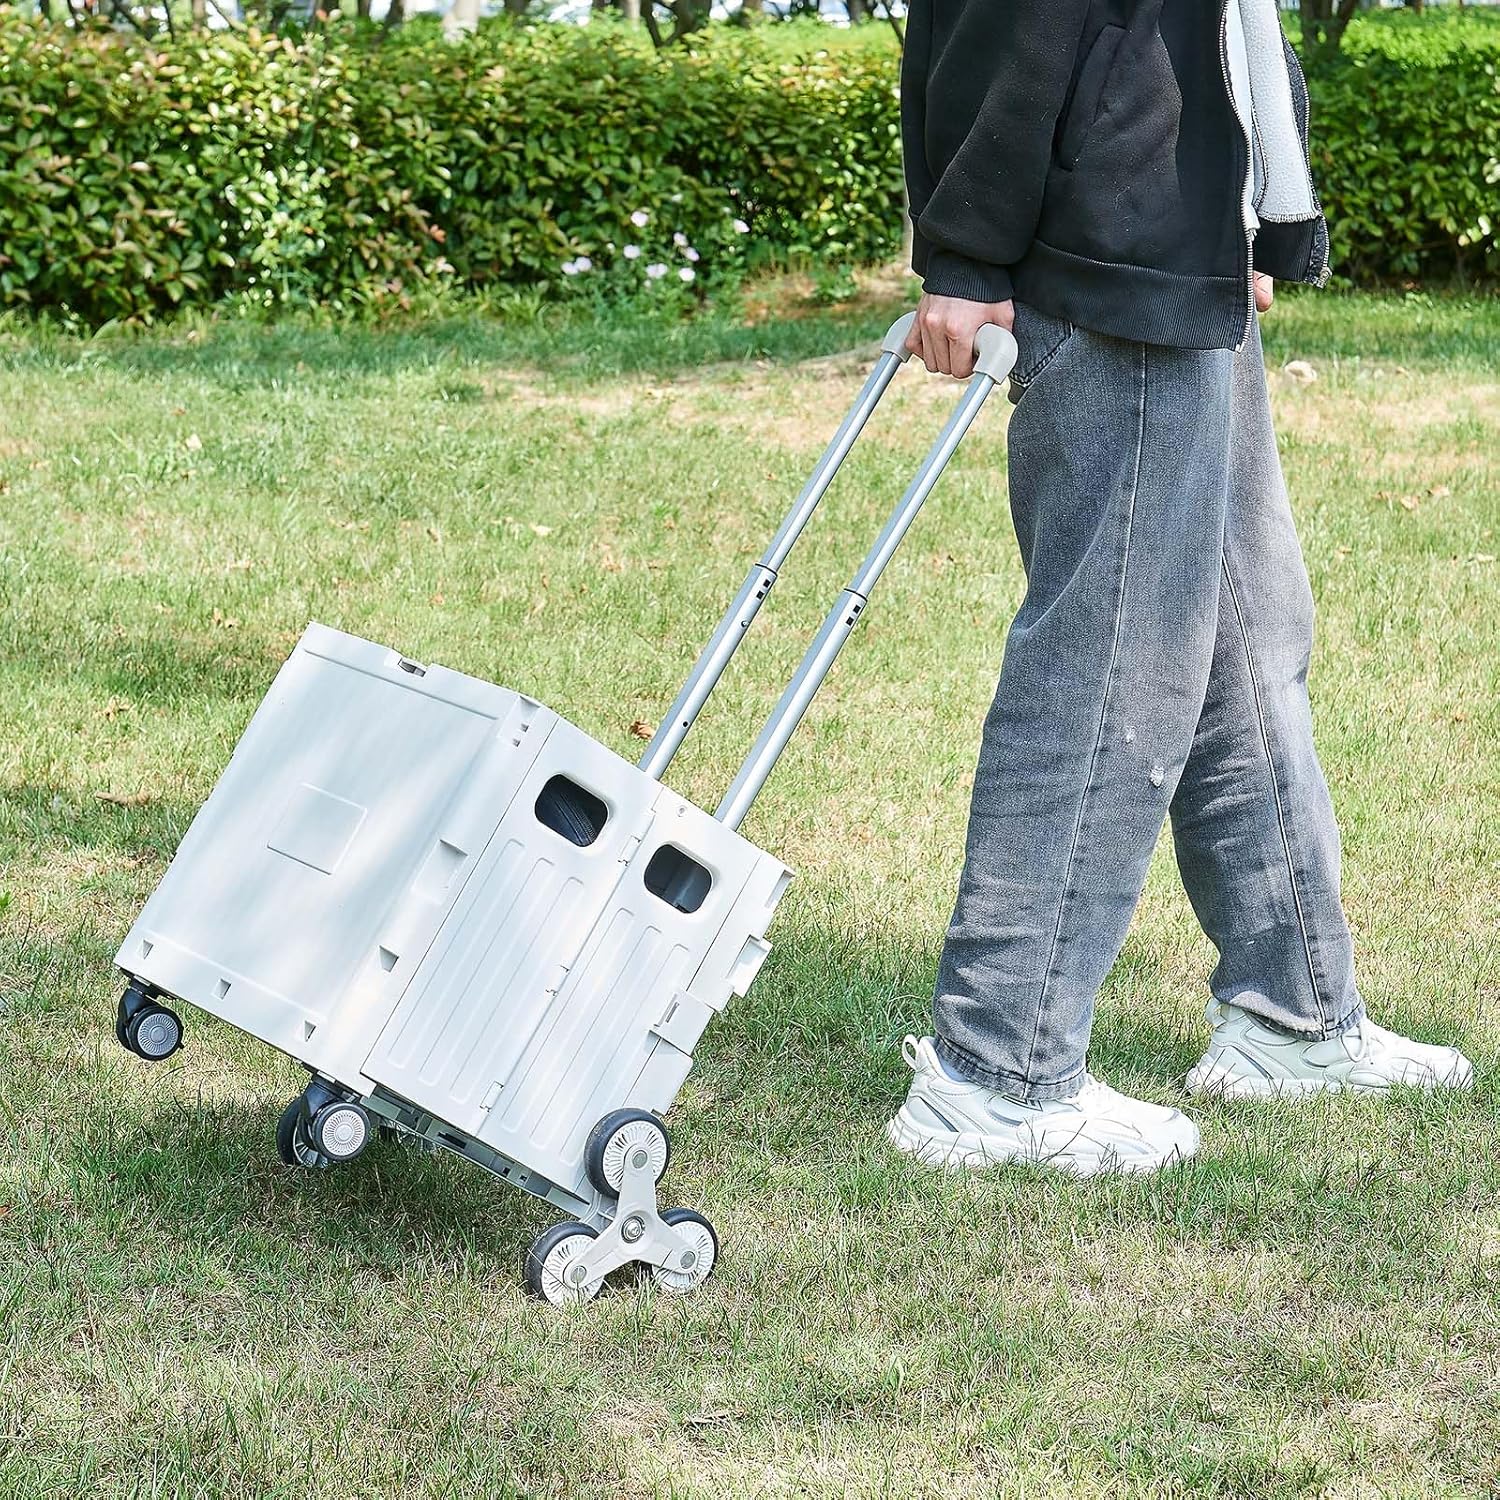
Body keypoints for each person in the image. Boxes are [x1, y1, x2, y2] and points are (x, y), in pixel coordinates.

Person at [886, 0, 1474, 1175]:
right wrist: (965, 252)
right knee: (1114, 660)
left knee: (1249, 634)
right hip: (1105, 259)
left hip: (1180, 240)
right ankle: (993, 1075)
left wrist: (1257, 211)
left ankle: (1292, 1013)